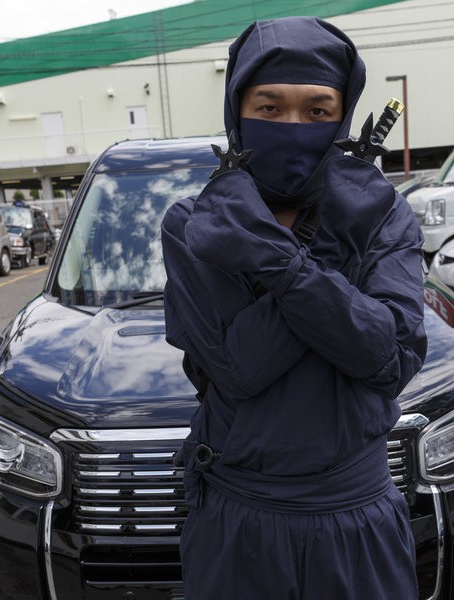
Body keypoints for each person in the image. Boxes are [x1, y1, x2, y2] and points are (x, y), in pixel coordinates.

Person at [161, 16, 427, 599]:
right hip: (240, 521)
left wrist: (282, 258)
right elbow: (239, 368)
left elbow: (389, 358)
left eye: (317, 110)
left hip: (356, 517)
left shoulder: (380, 214)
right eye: (270, 107)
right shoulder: (194, 225)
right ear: (237, 110)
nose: (293, 125)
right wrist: (329, 256)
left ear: (344, 115)